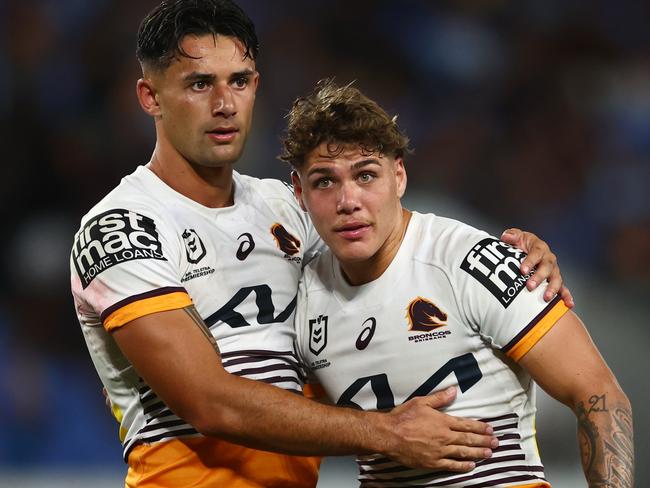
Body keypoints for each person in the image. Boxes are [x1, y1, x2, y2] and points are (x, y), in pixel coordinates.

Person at [70, 1, 573, 487]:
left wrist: (514, 255)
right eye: (199, 84)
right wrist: (387, 433)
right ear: (150, 96)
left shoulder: (289, 209)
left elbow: (407, 247)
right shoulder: (120, 228)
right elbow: (209, 403)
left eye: (239, 81)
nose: (224, 105)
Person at [284, 79, 634, 487]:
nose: (348, 201)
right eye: (325, 181)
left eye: (366, 175)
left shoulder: (471, 262)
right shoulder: (302, 295)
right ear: (299, 191)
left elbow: (599, 395)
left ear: (398, 176)